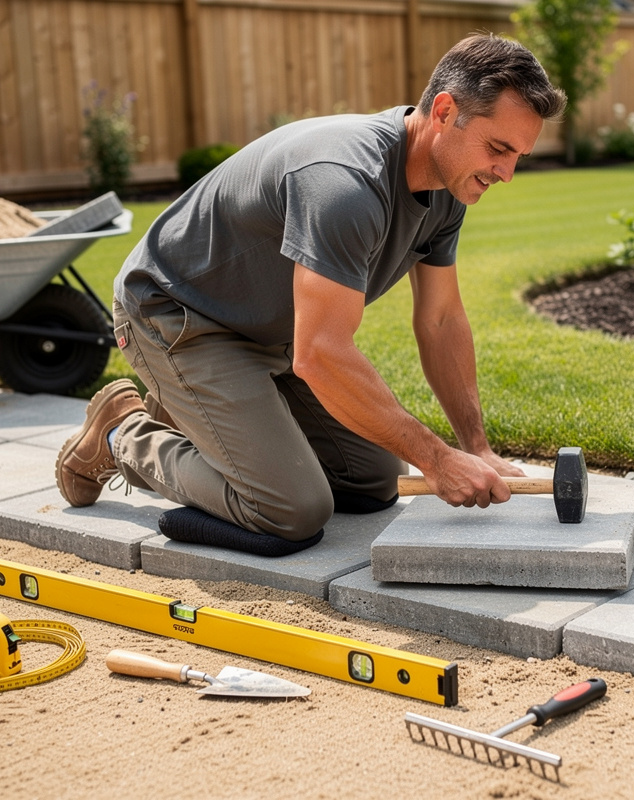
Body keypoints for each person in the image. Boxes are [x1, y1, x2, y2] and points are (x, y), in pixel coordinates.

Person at [56, 33, 567, 542]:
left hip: (269, 333)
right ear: (443, 111)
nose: (507, 173)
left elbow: (440, 320)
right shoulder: (345, 184)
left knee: (372, 482)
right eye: (498, 148)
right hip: (175, 314)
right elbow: (321, 354)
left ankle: (205, 411)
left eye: (518, 155)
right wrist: (436, 459)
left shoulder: (447, 192)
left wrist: (475, 449)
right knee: (290, 510)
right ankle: (123, 432)